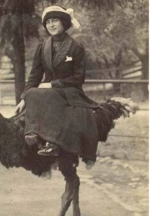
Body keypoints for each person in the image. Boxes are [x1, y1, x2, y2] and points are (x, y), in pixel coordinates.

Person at [15, 5, 99, 167]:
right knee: (33, 93)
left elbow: (78, 78)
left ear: (64, 24)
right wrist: (23, 98)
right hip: (48, 89)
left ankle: (52, 143)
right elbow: (35, 75)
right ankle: (32, 134)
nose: (51, 25)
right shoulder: (43, 47)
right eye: (48, 22)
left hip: (70, 89)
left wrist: (53, 84)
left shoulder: (76, 47)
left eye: (55, 21)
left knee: (50, 94)